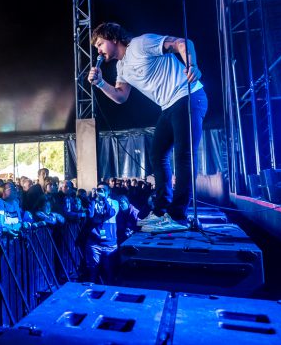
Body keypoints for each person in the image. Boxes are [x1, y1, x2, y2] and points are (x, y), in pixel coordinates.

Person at [89, 22, 208, 232]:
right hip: (168, 106)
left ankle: (178, 216)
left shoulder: (140, 44)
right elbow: (121, 96)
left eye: (100, 44)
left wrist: (192, 66)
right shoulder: (121, 67)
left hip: (188, 96)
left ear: (113, 38)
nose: (98, 50)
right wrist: (100, 83)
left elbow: (183, 43)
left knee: (183, 156)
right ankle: (161, 211)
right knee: (157, 155)